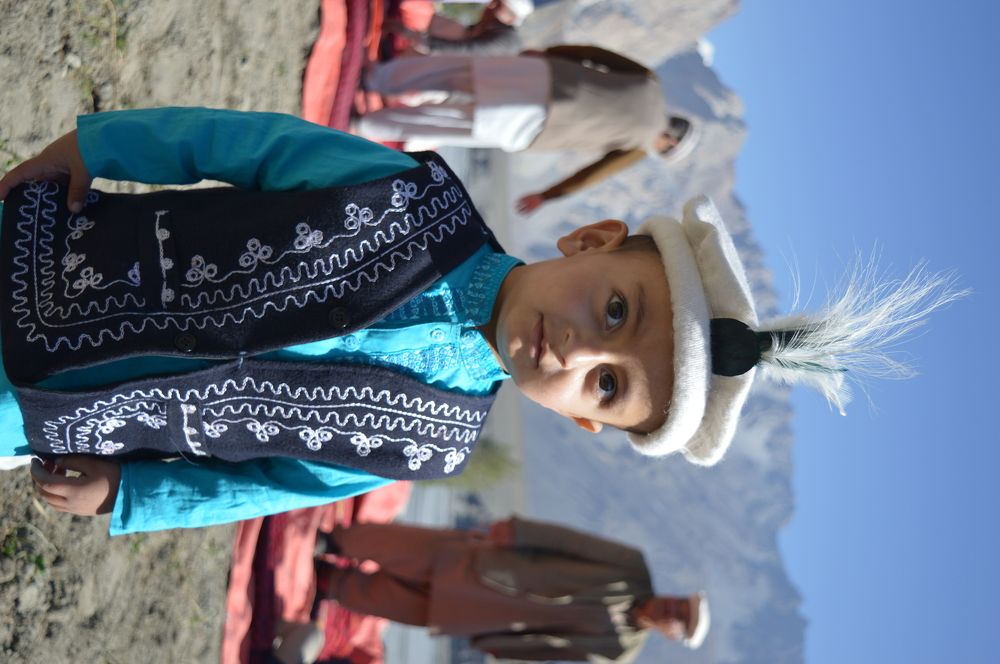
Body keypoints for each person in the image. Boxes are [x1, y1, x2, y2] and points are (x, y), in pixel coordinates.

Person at [0, 107, 961, 535]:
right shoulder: (415, 197)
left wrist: (134, 495)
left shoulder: (431, 443)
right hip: (40, 266)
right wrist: (95, 144)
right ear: (591, 239)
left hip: (49, 416)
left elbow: (273, 485)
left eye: (608, 384)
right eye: (616, 309)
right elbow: (240, 144)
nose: (581, 347)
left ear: (586, 420)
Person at [308, 516, 709, 662]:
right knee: (407, 549)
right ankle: (335, 544)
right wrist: (516, 532)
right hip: (498, 568)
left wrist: (499, 647)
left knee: (384, 600)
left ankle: (330, 583)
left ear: (671, 634)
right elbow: (572, 542)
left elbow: (553, 653)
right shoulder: (632, 566)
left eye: (679, 620)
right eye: (681, 604)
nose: (672, 610)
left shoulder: (620, 652)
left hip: (489, 618)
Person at [356, 45, 699, 213]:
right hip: (537, 124)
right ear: (670, 142)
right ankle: (364, 124)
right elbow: (591, 175)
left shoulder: (650, 82)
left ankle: (377, 77)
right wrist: (546, 196)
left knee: (456, 71)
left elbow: (594, 54)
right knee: (449, 122)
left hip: (546, 74)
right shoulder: (637, 148)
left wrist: (549, 53)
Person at [387, 0, 531, 57]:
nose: (490, 6)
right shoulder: (492, 26)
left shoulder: (503, 42)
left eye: (498, 5)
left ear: (511, 19)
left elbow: (460, 51)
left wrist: (407, 33)